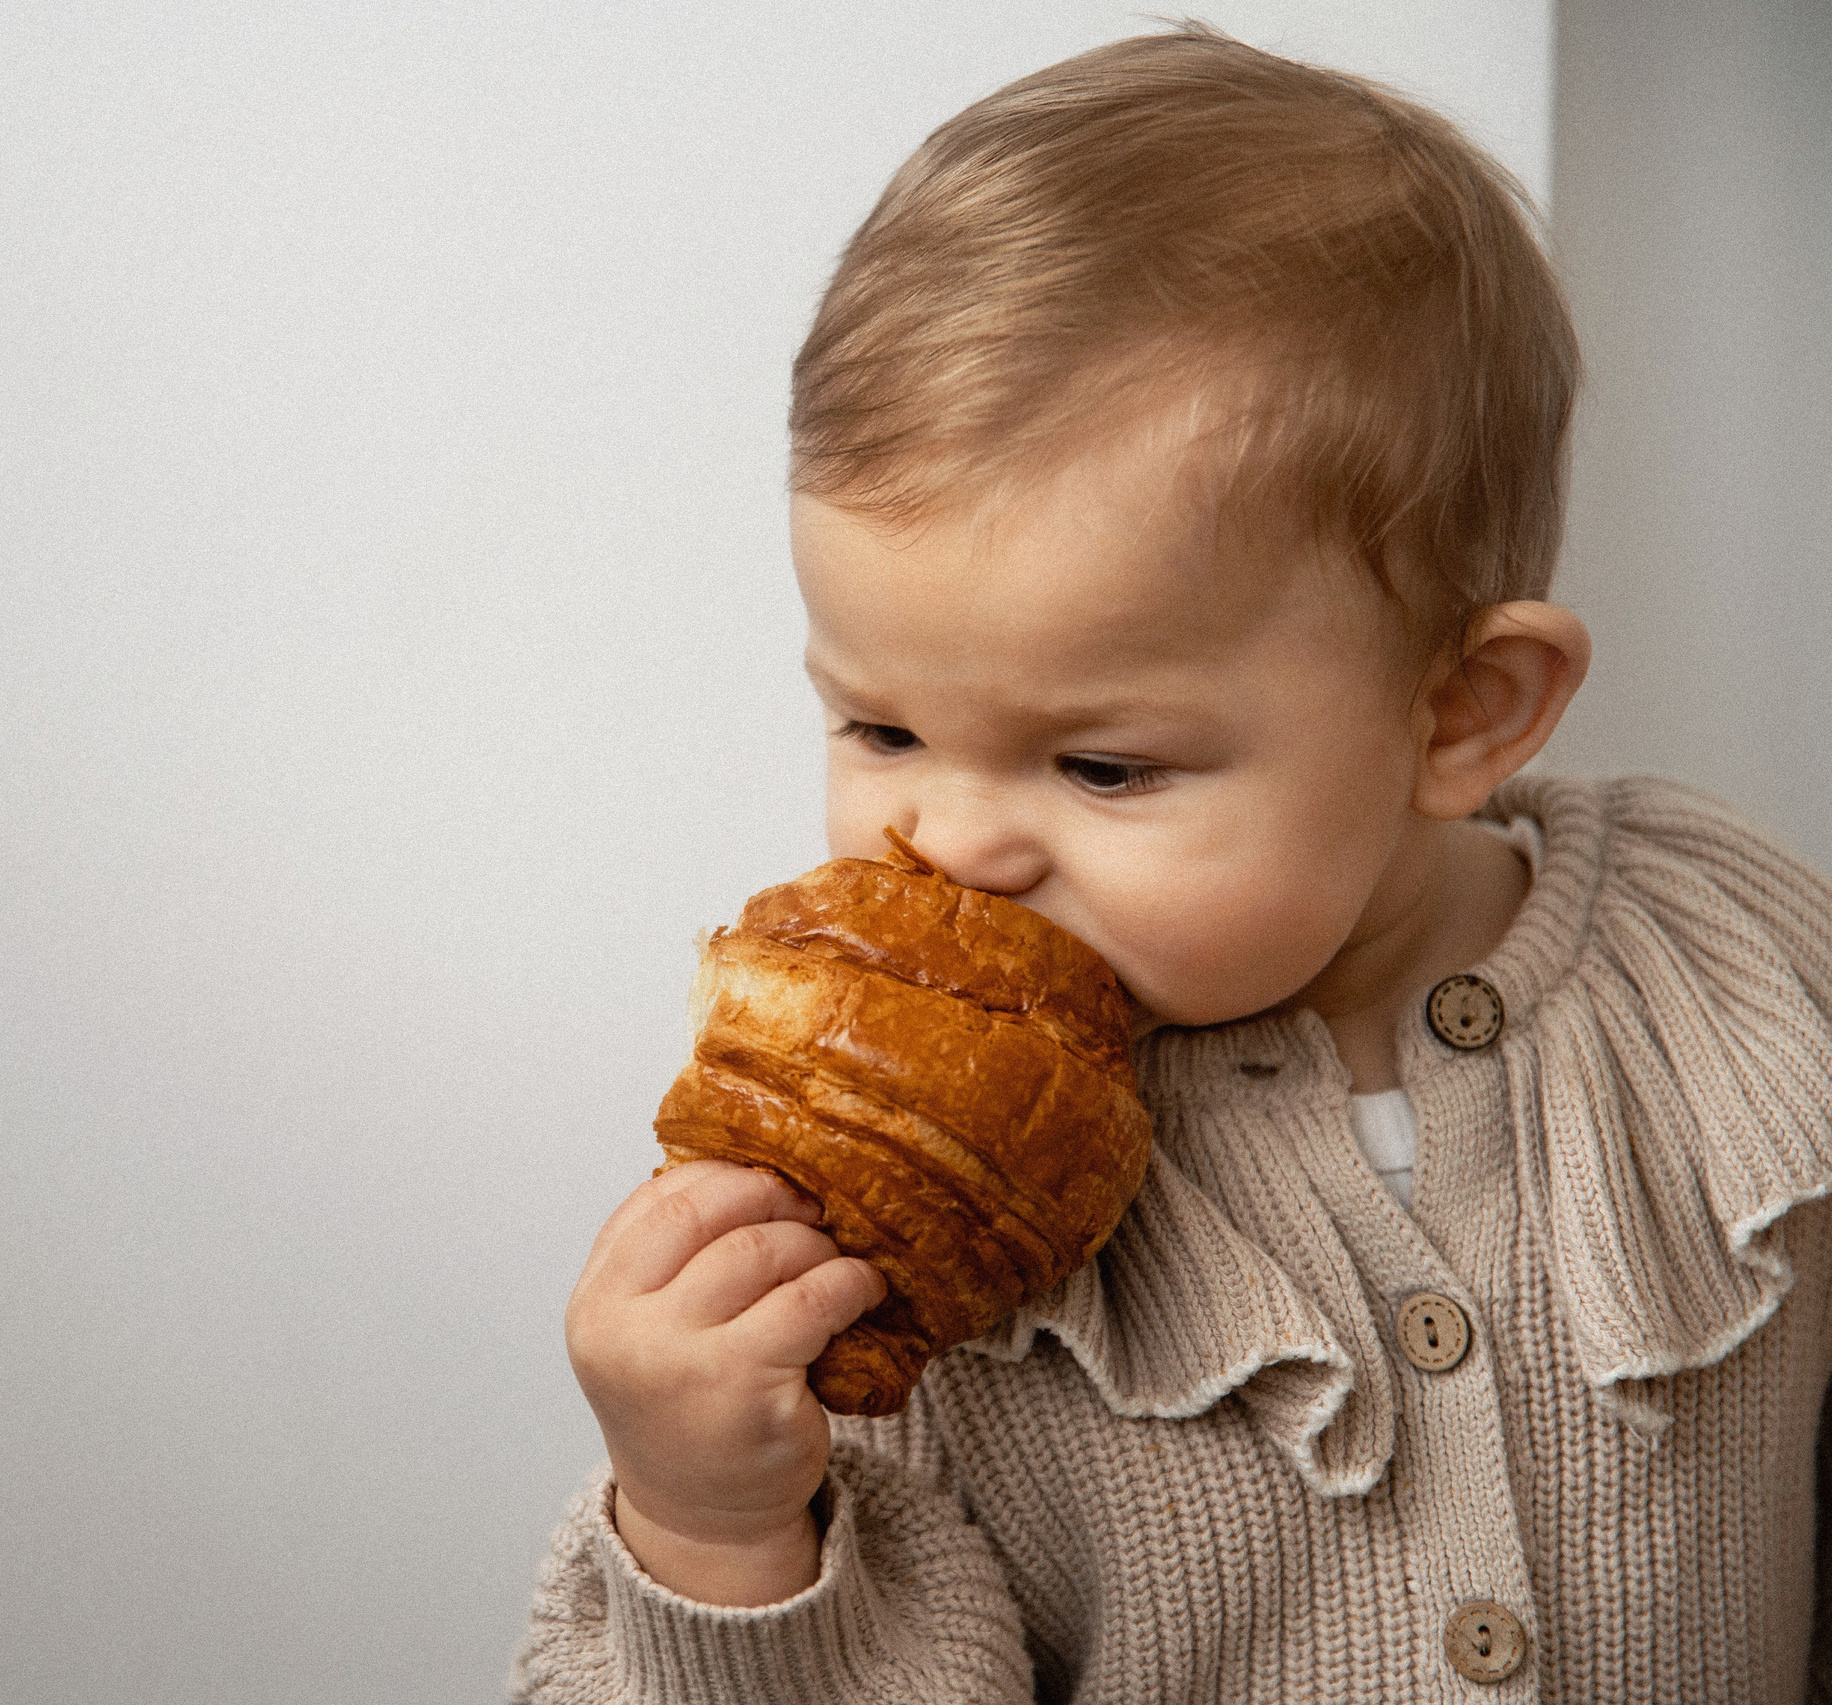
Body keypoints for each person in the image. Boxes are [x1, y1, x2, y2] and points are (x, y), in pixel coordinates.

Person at [511, 24, 1832, 1704]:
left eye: (1104, 763)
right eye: (882, 731)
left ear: (1458, 709)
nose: (952, 844)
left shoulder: (1742, 970)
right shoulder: (903, 1236)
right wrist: (715, 1528)